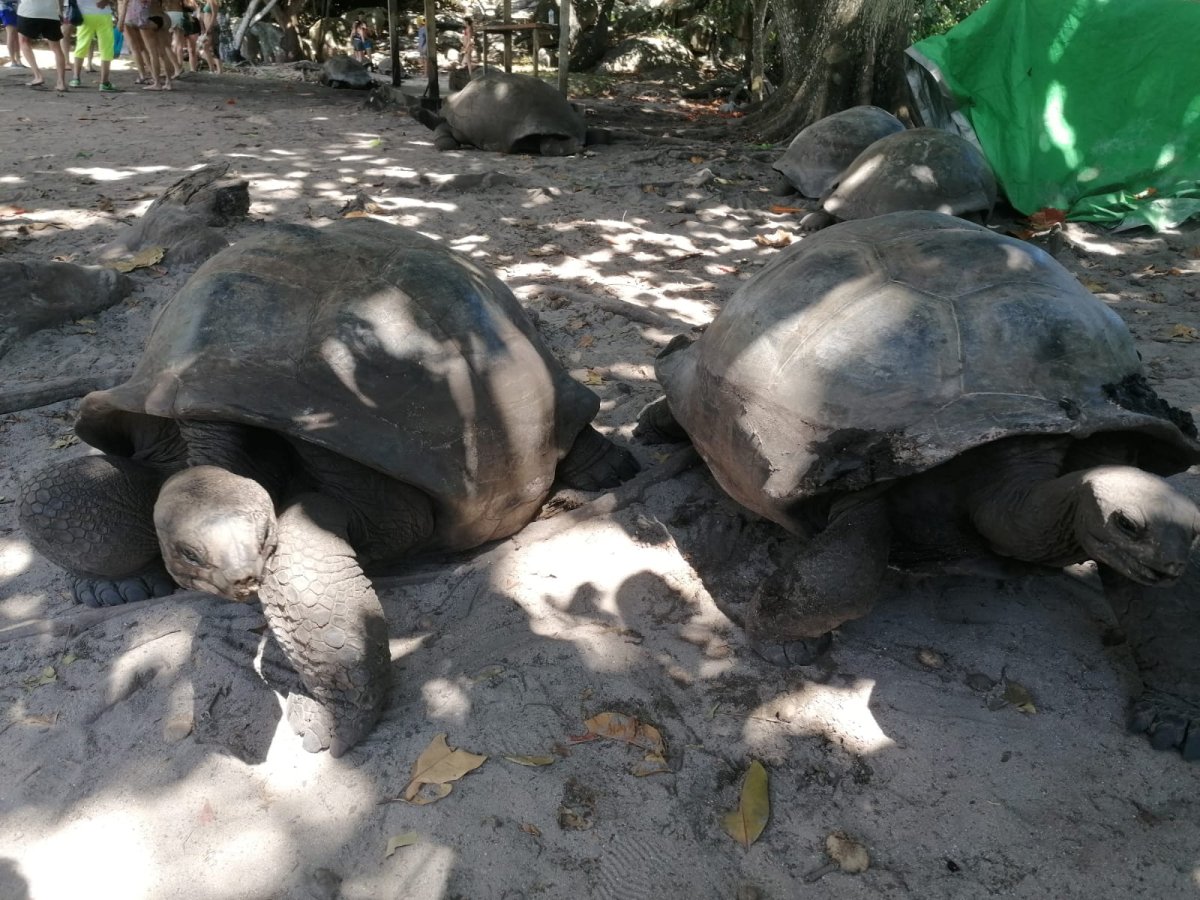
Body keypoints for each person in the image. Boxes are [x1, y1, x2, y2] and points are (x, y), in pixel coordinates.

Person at [16, 0, 67, 90]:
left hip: (29, 11)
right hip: (51, 13)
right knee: (56, 48)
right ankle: (61, 82)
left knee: (24, 42)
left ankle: (38, 76)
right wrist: (60, 10)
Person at [67, 0, 115, 90]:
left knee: (81, 45)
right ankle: (104, 82)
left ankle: (76, 78)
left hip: (85, 15)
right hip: (104, 14)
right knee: (106, 47)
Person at [1, 0, 23, 67]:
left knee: (16, 35)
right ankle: (13, 61)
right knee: (11, 33)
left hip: (17, 9)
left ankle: (18, 61)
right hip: (7, 8)